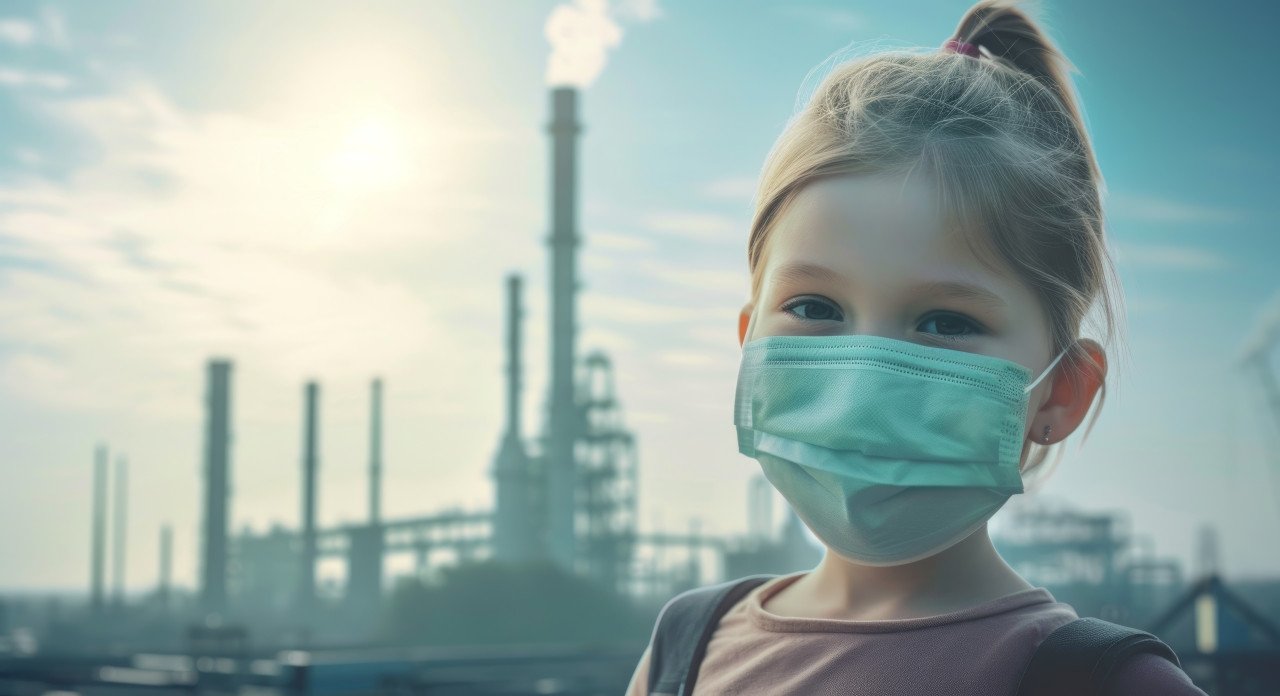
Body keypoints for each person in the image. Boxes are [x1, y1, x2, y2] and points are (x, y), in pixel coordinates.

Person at [624, 0, 1208, 694]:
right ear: (750, 341)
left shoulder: (1104, 682)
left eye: (943, 322)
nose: (862, 379)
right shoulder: (685, 646)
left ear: (1062, 392)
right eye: (814, 307)